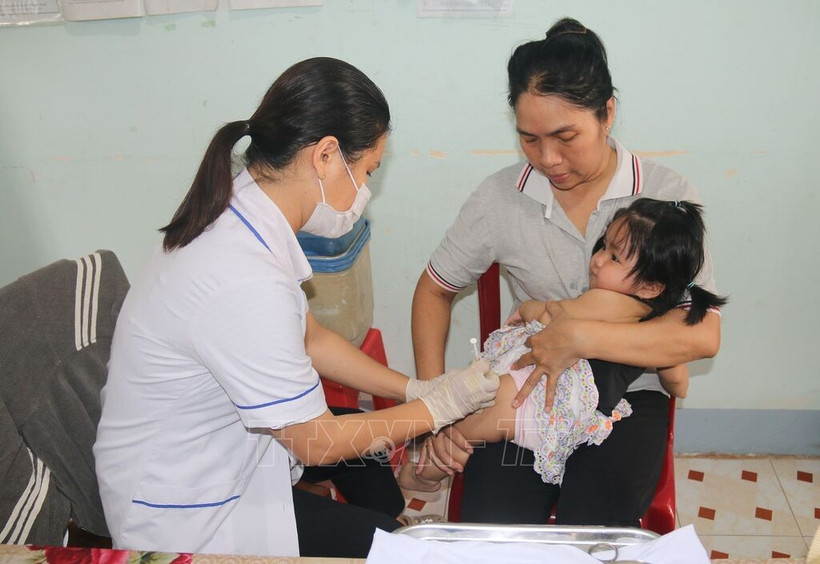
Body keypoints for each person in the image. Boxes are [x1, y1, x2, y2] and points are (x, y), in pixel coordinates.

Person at [93, 57, 499, 559]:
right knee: (391, 539)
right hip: (187, 513)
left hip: (209, 454)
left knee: (366, 458)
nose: (365, 191)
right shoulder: (241, 275)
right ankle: (392, 538)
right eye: (368, 170)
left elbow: (311, 339)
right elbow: (316, 443)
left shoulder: (240, 207)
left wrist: (414, 387)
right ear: (326, 155)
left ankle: (392, 522)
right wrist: (439, 406)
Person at [411, 18, 722, 526]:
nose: (548, 159)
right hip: (525, 390)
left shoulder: (666, 199)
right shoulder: (498, 198)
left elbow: (701, 333)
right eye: (529, 140)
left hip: (625, 399)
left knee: (590, 532)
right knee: (496, 530)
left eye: (565, 136)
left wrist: (578, 336)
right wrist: (433, 405)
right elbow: (434, 289)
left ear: (608, 114)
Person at [401, 198, 726, 492]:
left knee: (464, 408)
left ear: (651, 286)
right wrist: (669, 367)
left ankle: (422, 473)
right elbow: (679, 385)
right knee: (465, 425)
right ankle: (428, 468)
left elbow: (556, 315)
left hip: (542, 400)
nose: (598, 261)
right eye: (603, 248)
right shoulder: (656, 323)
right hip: (572, 416)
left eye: (614, 257)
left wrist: (526, 308)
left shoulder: (608, 301)